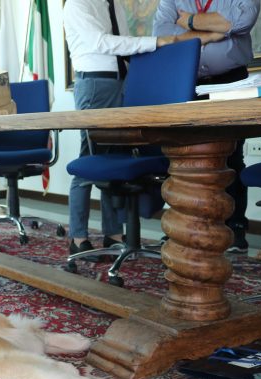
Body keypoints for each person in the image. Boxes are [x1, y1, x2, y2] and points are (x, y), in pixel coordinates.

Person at [63, 0, 180, 257]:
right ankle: (78, 236)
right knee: (89, 158)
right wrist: (155, 42)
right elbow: (101, 42)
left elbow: (124, 43)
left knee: (115, 158)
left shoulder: (112, 4)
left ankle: (113, 234)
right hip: (95, 85)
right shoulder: (77, 3)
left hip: (121, 83)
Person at [153, 0, 260, 253]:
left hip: (231, 82)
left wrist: (189, 21)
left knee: (231, 155)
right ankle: (182, 228)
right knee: (182, 157)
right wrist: (215, 31)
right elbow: (162, 33)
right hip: (186, 79)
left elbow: (242, 20)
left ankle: (235, 229)